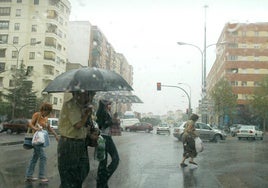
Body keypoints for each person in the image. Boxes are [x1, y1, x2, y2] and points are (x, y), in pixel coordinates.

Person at [57, 91, 96, 188]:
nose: (88, 97)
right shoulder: (71, 105)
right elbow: (78, 125)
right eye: (87, 94)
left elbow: (84, 127)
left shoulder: (81, 106)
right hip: (70, 143)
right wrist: (86, 114)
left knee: (83, 171)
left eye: (90, 95)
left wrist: (91, 134)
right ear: (77, 94)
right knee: (69, 176)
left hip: (80, 143)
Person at [25, 102, 59, 183]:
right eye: (47, 110)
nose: (48, 112)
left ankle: (29, 176)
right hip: (36, 139)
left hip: (41, 140)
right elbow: (29, 124)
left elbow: (49, 128)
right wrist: (35, 128)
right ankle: (41, 176)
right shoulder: (37, 115)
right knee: (43, 157)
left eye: (49, 111)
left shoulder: (46, 118)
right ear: (43, 109)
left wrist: (56, 135)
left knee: (35, 157)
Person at [96, 100, 120, 188]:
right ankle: (102, 181)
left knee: (107, 161)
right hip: (103, 138)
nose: (110, 105)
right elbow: (101, 126)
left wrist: (114, 118)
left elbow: (109, 124)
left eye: (111, 104)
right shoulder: (101, 112)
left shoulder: (108, 112)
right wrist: (112, 121)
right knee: (112, 159)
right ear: (104, 103)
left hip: (108, 137)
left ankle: (102, 181)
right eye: (109, 103)